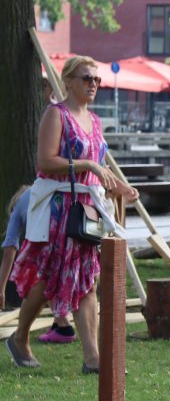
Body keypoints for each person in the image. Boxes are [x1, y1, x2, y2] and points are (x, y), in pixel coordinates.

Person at [6, 56, 138, 373]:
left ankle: (92, 358)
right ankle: (20, 336)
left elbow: (97, 168)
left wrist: (117, 186)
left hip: (86, 208)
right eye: (86, 78)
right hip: (57, 208)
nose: (93, 84)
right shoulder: (56, 115)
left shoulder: (94, 121)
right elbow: (46, 162)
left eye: (97, 79)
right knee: (50, 278)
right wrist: (87, 165)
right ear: (67, 80)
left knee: (86, 281)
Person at [2, 185, 75, 342]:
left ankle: (63, 325)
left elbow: (9, 250)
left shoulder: (20, 204)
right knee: (52, 277)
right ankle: (58, 325)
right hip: (70, 235)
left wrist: (1, 288)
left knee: (42, 279)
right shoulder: (47, 189)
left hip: (49, 243)